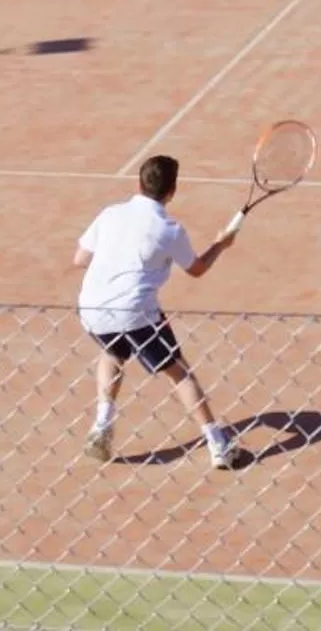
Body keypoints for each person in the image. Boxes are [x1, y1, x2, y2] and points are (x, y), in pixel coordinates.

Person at [73, 154, 244, 469]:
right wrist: (221, 244)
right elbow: (197, 269)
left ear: (139, 183)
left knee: (112, 354)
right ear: (172, 191)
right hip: (137, 313)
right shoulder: (170, 230)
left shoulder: (109, 214)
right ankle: (217, 444)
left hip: (93, 310)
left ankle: (101, 425)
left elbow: (80, 259)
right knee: (178, 373)